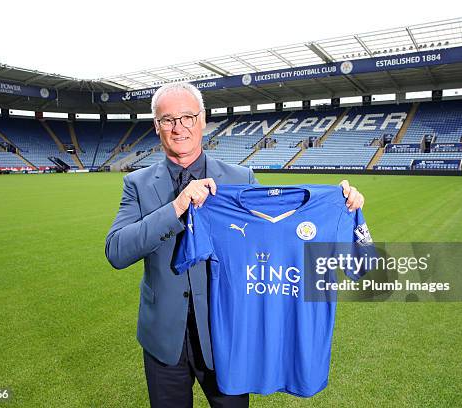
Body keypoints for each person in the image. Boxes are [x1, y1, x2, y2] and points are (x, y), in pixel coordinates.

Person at [105, 82, 365, 408]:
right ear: (157, 126)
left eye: (187, 117)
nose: (178, 127)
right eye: (168, 119)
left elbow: (275, 232)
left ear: (202, 120)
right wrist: (176, 208)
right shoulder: (137, 184)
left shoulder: (240, 178)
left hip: (228, 334)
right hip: (164, 339)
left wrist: (341, 206)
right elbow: (116, 250)